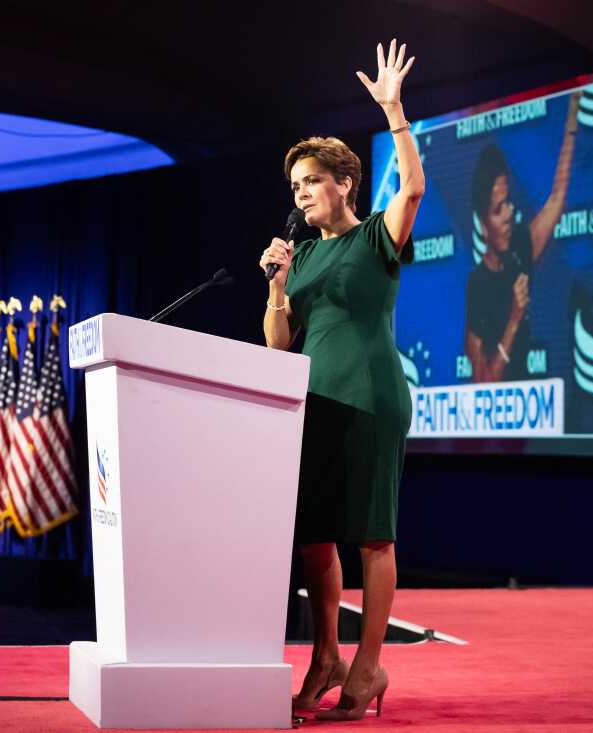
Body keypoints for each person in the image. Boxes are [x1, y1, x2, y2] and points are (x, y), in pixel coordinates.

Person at [259, 39, 423, 721]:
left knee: (372, 537)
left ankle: (366, 665)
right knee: (314, 538)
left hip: (372, 397)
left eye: (311, 181)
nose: (301, 194)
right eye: (295, 186)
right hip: (315, 404)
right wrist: (275, 286)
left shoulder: (374, 238)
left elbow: (411, 186)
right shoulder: (298, 261)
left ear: (345, 182)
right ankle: (324, 655)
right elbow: (278, 344)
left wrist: (394, 112)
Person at [464, 92, 581, 382]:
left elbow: (556, 200)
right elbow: (484, 382)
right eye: (497, 209)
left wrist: (572, 123)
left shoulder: (519, 248)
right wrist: (515, 318)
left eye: (508, 203)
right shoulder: (478, 285)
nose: (507, 215)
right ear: (482, 222)